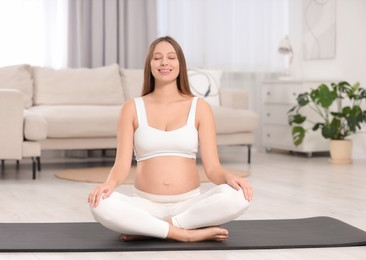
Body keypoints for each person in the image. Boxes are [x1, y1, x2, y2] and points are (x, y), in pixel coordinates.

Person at [88, 36, 253, 242]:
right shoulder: (131, 108)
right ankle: (187, 235)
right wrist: (108, 184)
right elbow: (121, 166)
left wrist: (229, 178)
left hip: (189, 205)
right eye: (157, 58)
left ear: (180, 64)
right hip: (145, 205)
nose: (164, 62)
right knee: (100, 204)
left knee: (239, 197)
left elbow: (212, 169)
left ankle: (155, 229)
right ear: (150, 65)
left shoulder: (199, 107)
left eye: (171, 57)